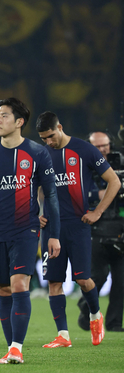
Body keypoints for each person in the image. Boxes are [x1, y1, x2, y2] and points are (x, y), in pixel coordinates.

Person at [0, 98, 61, 364]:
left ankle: (17, 348)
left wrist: (54, 233)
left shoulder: (38, 154)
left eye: (4, 115)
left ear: (19, 122)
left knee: (19, 284)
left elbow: (50, 195)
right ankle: (11, 348)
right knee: (3, 289)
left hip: (26, 230)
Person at [36, 113, 119, 348]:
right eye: (44, 138)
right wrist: (36, 212)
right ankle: (63, 335)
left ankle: (95, 315)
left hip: (77, 224)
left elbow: (114, 181)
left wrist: (98, 212)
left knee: (83, 279)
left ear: (60, 127)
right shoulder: (41, 154)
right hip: (51, 227)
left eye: (51, 136)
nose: (49, 142)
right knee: (54, 281)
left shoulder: (84, 149)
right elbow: (35, 186)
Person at [77, 131, 124, 332]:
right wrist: (103, 192)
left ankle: (114, 324)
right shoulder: (80, 167)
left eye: (105, 146)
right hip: (93, 228)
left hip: (119, 227)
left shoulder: (120, 163)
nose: (102, 150)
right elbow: (78, 193)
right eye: (97, 147)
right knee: (98, 277)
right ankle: (85, 307)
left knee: (121, 281)